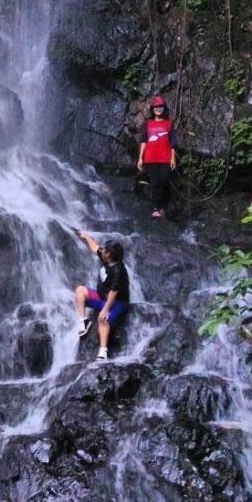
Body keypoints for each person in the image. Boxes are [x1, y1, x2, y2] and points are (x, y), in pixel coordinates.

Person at [74, 230, 130, 361]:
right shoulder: (107, 258)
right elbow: (95, 247)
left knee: (102, 319)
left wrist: (105, 310)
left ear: (110, 255)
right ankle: (83, 321)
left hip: (118, 302)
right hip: (102, 297)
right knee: (80, 291)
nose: (102, 250)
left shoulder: (118, 270)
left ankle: (103, 351)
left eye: (105, 250)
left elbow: (113, 292)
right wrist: (87, 237)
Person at [137, 95, 177, 219]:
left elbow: (172, 143)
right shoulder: (148, 124)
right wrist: (140, 158)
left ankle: (163, 206)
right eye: (156, 107)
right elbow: (144, 141)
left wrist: (173, 158)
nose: (158, 109)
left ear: (164, 108)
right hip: (151, 158)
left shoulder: (169, 123)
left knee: (164, 182)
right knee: (155, 183)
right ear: (152, 109)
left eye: (160, 107)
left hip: (165, 157)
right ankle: (156, 208)